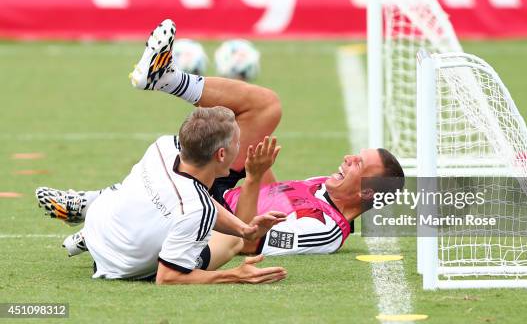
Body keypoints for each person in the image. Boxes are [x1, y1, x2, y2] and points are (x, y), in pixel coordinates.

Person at [36, 19, 405, 273]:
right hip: (228, 190)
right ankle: (165, 79)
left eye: (359, 163)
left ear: (368, 191)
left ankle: (94, 205)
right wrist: (257, 162)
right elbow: (273, 195)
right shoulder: (326, 188)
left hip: (213, 211)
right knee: (265, 108)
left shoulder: (325, 229)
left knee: (183, 151)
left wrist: (253, 175)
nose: (347, 158)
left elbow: (248, 238)